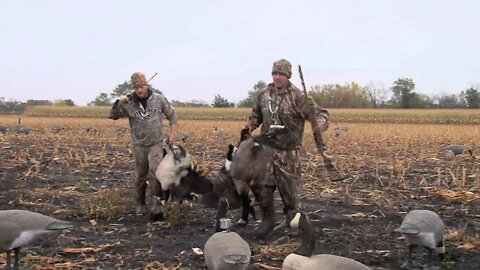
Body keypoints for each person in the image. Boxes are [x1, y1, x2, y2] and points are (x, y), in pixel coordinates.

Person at [244, 59, 329, 237]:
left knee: (290, 192)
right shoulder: (264, 95)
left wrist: (320, 124)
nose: (277, 77)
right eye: (274, 73)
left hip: (288, 151)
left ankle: (292, 221)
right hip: (266, 149)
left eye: (280, 74)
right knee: (258, 183)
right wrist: (250, 126)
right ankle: (268, 218)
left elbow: (321, 114)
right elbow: (256, 114)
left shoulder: (298, 97)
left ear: (288, 76)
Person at [108, 72, 177, 221]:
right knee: (141, 175)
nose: (139, 90)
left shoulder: (158, 99)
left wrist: (172, 136)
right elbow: (112, 116)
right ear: (133, 88)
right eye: (136, 87)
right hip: (139, 144)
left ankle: (155, 203)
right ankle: (140, 202)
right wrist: (118, 103)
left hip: (156, 143)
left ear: (147, 85)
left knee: (155, 173)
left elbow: (172, 117)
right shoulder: (128, 102)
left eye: (142, 86)